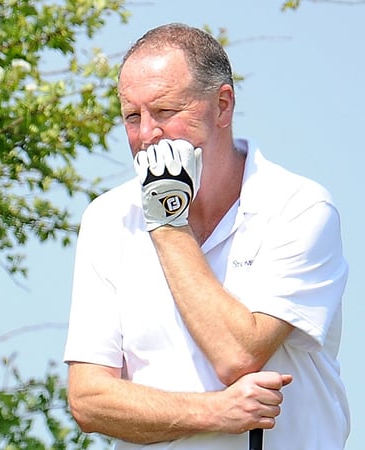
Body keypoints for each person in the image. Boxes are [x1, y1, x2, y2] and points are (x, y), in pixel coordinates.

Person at [63, 23, 348, 449]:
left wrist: (166, 222)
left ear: (223, 105)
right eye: (132, 117)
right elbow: (88, 400)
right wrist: (217, 412)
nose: (145, 136)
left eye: (164, 112)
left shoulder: (299, 207)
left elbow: (237, 354)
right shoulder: (108, 218)